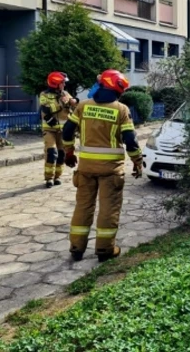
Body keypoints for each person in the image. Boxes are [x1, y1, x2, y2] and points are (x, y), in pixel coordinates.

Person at [62, 69, 143, 262]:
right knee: (109, 208)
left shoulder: (83, 106)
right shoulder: (121, 110)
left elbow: (67, 131)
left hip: (86, 168)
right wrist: (137, 162)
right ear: (119, 89)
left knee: (83, 206)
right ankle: (105, 250)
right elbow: (130, 141)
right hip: (111, 171)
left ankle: (76, 247)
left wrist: (69, 152)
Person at [40, 71, 77, 188]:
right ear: (55, 83)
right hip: (49, 129)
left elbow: (73, 104)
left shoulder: (65, 93)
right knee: (51, 152)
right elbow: (46, 109)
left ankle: (57, 177)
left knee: (61, 154)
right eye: (62, 83)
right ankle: (48, 178)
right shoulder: (44, 94)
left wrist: (74, 101)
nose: (64, 85)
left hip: (63, 130)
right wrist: (61, 103)